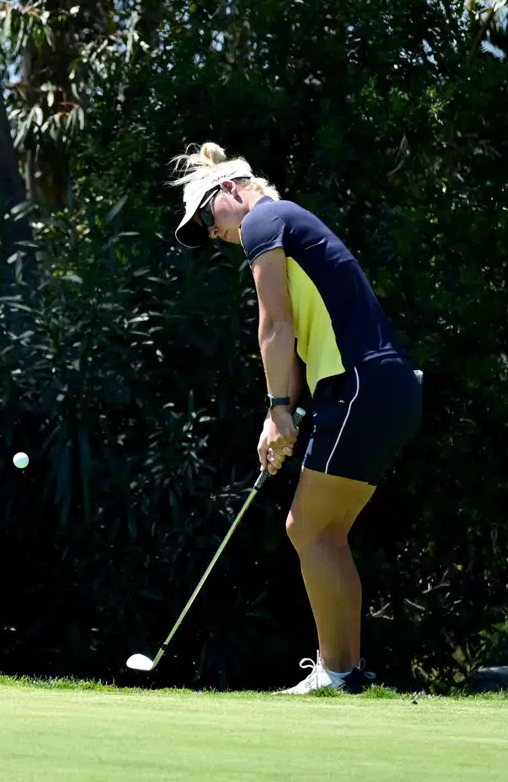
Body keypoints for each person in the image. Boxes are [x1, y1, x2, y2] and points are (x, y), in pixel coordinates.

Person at [171, 143, 422, 694]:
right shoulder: (286, 224)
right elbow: (302, 345)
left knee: (306, 528)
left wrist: (278, 411)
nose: (214, 235)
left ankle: (336, 674)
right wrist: (282, 418)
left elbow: (274, 326)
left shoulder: (265, 219)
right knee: (326, 532)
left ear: (231, 191)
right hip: (383, 388)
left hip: (362, 385)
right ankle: (348, 675)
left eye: (208, 220)